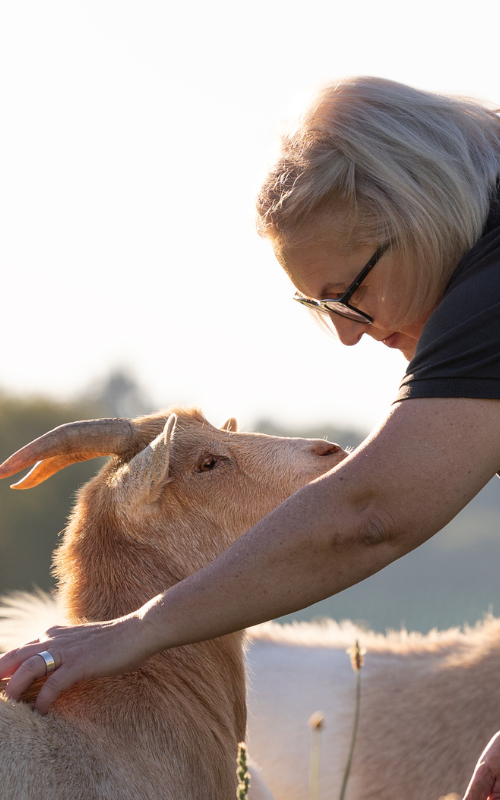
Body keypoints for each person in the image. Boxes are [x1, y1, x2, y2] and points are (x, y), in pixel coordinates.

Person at [1, 76, 500, 798]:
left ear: (417, 209)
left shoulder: (488, 295)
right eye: (320, 305)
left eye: (349, 291)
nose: (347, 333)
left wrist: (133, 629)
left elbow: (370, 513)